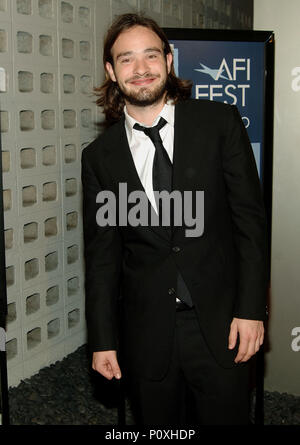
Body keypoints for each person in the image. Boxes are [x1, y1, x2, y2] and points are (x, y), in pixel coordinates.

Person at [81, 13, 269, 425]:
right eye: (126, 59)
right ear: (111, 72)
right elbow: (102, 257)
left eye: (151, 55)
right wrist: (102, 340)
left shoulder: (219, 122)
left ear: (168, 61)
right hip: (147, 334)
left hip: (223, 325)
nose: (141, 69)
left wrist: (252, 309)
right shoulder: (99, 158)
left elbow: (250, 225)